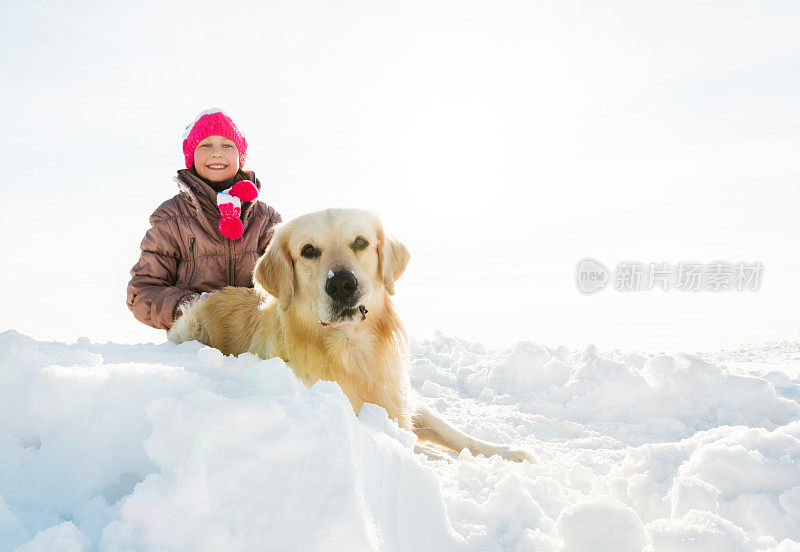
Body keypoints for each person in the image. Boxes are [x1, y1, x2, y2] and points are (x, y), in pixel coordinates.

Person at [127, 108, 282, 331]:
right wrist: (194, 307)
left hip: (254, 342)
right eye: (205, 145)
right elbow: (143, 292)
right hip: (196, 345)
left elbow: (289, 284)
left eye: (227, 145)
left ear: (240, 157)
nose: (217, 153)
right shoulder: (172, 217)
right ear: (191, 157)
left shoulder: (265, 219)